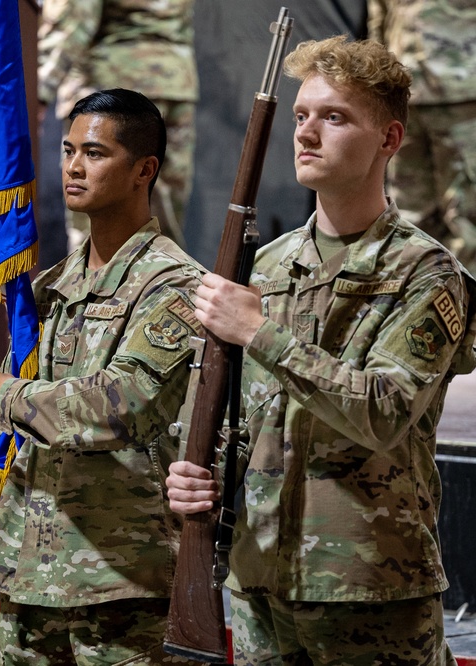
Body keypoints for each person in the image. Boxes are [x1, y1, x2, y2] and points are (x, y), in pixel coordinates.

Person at [166, 36, 476, 665]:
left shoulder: (426, 273)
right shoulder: (268, 265)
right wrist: (191, 470)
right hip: (260, 585)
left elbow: (384, 411)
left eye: (334, 117)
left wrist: (262, 332)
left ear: (389, 140)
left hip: (368, 589)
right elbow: (235, 414)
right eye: (301, 116)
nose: (307, 133)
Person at [0, 89, 206, 665]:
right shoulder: (51, 285)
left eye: (94, 153)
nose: (72, 166)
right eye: (68, 150)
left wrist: (12, 397)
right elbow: (12, 433)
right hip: (32, 565)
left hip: (120, 575)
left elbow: (127, 403)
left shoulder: (175, 286)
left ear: (144, 169)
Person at [38, 0, 197, 251]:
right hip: (173, 82)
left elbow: (74, 20)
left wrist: (39, 92)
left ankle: (91, 289)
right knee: (162, 219)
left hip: (108, 90)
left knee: (92, 216)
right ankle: (168, 287)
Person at [369, 0, 476, 274]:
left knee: (468, 217)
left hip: (462, 92)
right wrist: (377, 75)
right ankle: (423, 303)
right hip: (403, 90)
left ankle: (468, 309)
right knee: (410, 216)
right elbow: (379, 12)